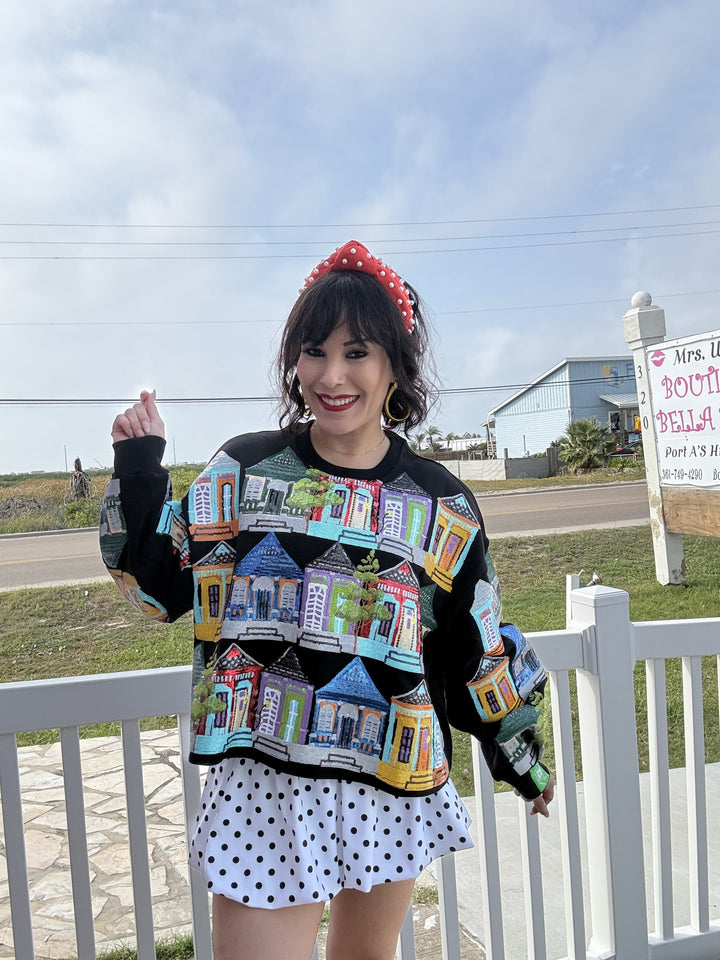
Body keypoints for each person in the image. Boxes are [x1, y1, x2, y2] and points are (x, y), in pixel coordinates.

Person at [100, 240, 553, 960]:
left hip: (388, 776)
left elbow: (472, 640)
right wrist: (140, 466)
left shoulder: (440, 502)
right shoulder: (244, 471)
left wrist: (519, 755)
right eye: (314, 351)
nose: (332, 375)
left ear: (395, 367)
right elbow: (159, 584)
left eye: (358, 352)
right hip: (265, 782)